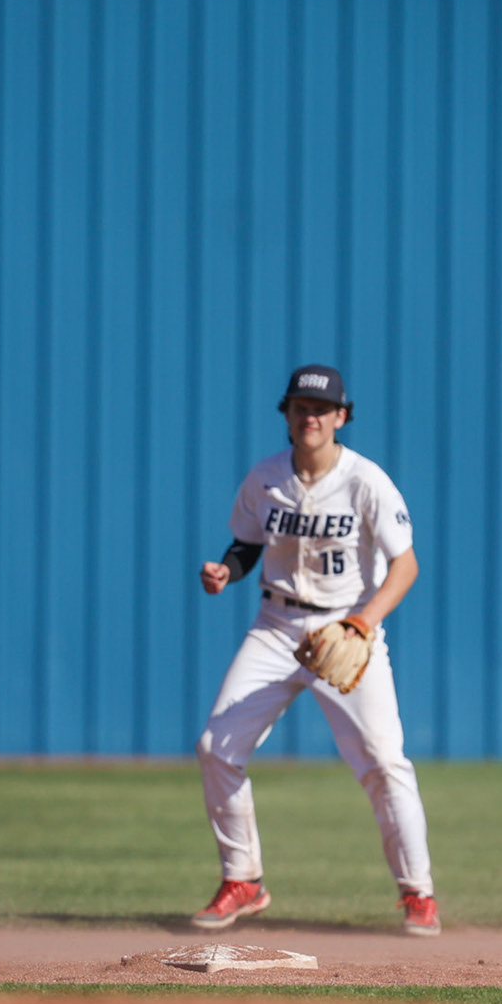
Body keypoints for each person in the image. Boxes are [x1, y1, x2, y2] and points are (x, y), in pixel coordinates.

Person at [193, 364, 439, 935]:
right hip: (276, 625)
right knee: (216, 747)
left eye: (322, 408)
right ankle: (243, 880)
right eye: (300, 407)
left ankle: (418, 892)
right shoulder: (266, 477)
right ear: (287, 414)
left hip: (345, 626)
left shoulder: (366, 481)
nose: (311, 416)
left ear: (342, 417)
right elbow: (247, 544)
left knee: (384, 760)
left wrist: (362, 624)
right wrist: (226, 572)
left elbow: (406, 564)